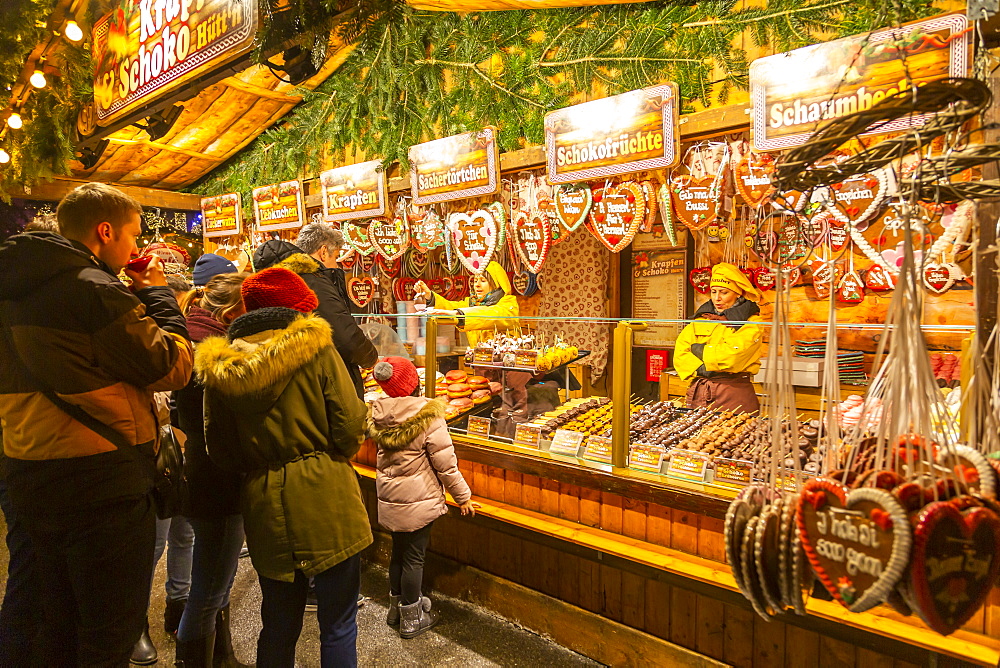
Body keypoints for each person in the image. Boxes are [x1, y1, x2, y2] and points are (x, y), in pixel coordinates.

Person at [0, 182, 193, 665]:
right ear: (105, 231)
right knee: (108, 630)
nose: (135, 246)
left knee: (48, 619)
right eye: (133, 235)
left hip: (28, 472)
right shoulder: (93, 291)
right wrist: (157, 294)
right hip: (102, 485)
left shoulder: (12, 287)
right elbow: (172, 366)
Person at [196, 267, 372, 667]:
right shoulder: (317, 351)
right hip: (327, 493)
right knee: (339, 623)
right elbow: (348, 424)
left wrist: (260, 465)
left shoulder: (221, 368)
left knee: (277, 623)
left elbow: (220, 449)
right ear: (296, 310)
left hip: (264, 502)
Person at [365, 357, 475, 639]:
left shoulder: (381, 413)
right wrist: (463, 497)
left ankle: (395, 609)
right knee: (414, 558)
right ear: (414, 383)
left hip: (391, 500)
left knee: (398, 555)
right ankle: (412, 618)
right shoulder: (428, 416)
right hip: (418, 501)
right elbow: (445, 465)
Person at [173, 272, 250, 667]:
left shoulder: (191, 338)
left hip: (202, 476)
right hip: (216, 482)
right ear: (233, 310)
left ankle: (222, 656)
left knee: (216, 584)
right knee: (208, 592)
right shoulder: (212, 354)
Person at [252, 224, 378, 398]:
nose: (336, 264)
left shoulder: (268, 285)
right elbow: (344, 336)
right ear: (324, 252)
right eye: (336, 257)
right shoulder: (313, 281)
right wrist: (371, 358)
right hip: (326, 383)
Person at [415, 262, 524, 436]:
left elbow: (491, 314)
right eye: (475, 280)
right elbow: (452, 307)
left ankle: (508, 438)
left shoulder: (508, 303)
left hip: (508, 372)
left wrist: (459, 314)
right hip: (482, 370)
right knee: (486, 407)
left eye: (483, 280)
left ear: (496, 282)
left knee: (510, 412)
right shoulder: (472, 302)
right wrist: (430, 296)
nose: (477, 285)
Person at [673, 263, 764, 414]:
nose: (717, 298)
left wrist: (698, 350)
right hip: (699, 391)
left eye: (724, 292)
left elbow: (733, 356)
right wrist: (710, 362)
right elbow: (680, 353)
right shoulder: (702, 319)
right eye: (713, 292)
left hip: (734, 392)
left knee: (734, 437)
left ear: (738, 293)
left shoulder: (751, 322)